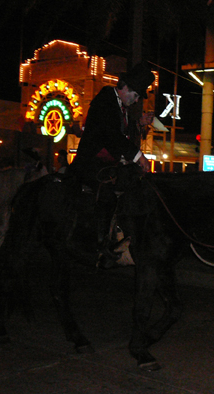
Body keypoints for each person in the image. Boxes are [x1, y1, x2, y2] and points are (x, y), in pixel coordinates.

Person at [68, 62, 155, 257]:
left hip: (106, 163)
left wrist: (139, 123)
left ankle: (120, 235)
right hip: (90, 162)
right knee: (108, 190)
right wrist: (138, 156)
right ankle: (100, 243)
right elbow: (110, 135)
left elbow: (120, 133)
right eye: (135, 95)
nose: (136, 100)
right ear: (124, 87)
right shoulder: (105, 99)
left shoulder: (119, 106)